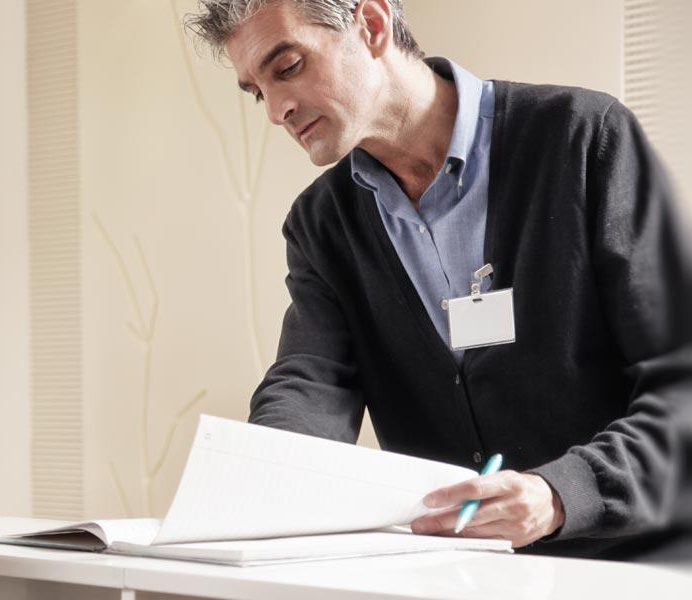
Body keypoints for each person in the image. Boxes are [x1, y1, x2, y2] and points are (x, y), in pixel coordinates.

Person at [186, 0, 692, 560]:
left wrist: (559, 495)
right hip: (458, 574)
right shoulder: (321, 224)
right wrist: (254, 476)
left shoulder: (581, 136)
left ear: (372, 25)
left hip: (636, 569)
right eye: (257, 90)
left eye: (287, 68)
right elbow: (310, 383)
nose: (276, 110)